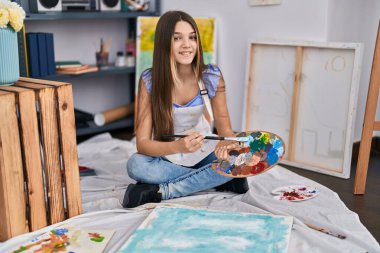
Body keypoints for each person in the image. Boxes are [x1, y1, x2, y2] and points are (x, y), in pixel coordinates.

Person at [122, 10, 248, 208]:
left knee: (239, 159)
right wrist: (178, 146)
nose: (187, 45)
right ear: (165, 43)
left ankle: (162, 192)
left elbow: (225, 132)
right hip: (169, 156)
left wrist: (230, 146)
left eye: (192, 38)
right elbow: (143, 144)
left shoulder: (211, 76)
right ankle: (221, 179)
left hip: (205, 152)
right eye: (177, 39)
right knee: (136, 165)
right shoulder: (150, 81)